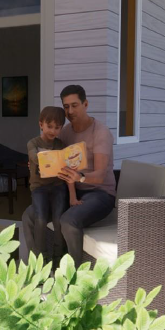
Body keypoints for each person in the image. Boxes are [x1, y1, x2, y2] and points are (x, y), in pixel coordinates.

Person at [55, 84, 117, 264]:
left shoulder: (101, 132)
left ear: (86, 104)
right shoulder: (66, 132)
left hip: (101, 193)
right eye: (66, 107)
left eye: (74, 105)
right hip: (72, 190)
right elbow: (58, 161)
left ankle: (74, 274)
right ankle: (41, 266)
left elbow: (99, 175)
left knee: (68, 220)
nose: (70, 111)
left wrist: (80, 176)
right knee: (32, 213)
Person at [22, 106, 78, 261]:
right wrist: (52, 159)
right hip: (39, 188)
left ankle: (58, 258)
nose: (53, 131)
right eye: (49, 126)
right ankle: (41, 259)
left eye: (57, 127)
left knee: (58, 219)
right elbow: (34, 157)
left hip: (58, 187)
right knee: (40, 219)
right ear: (41, 124)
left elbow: (67, 168)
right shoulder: (32, 143)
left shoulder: (61, 145)